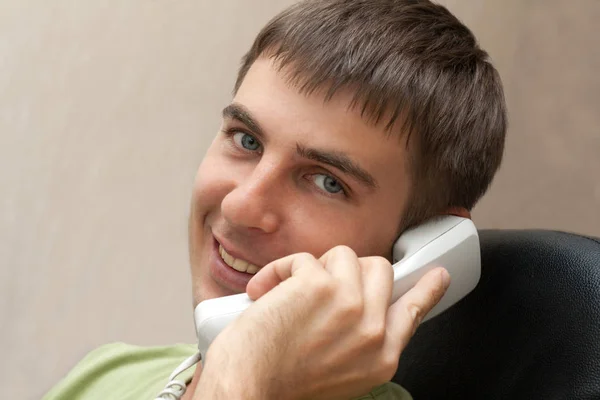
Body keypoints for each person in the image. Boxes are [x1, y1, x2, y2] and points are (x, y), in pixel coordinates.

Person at [43, 0, 507, 399]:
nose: (240, 207)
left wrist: (244, 374)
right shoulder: (104, 376)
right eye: (246, 140)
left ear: (424, 245)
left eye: (326, 182)